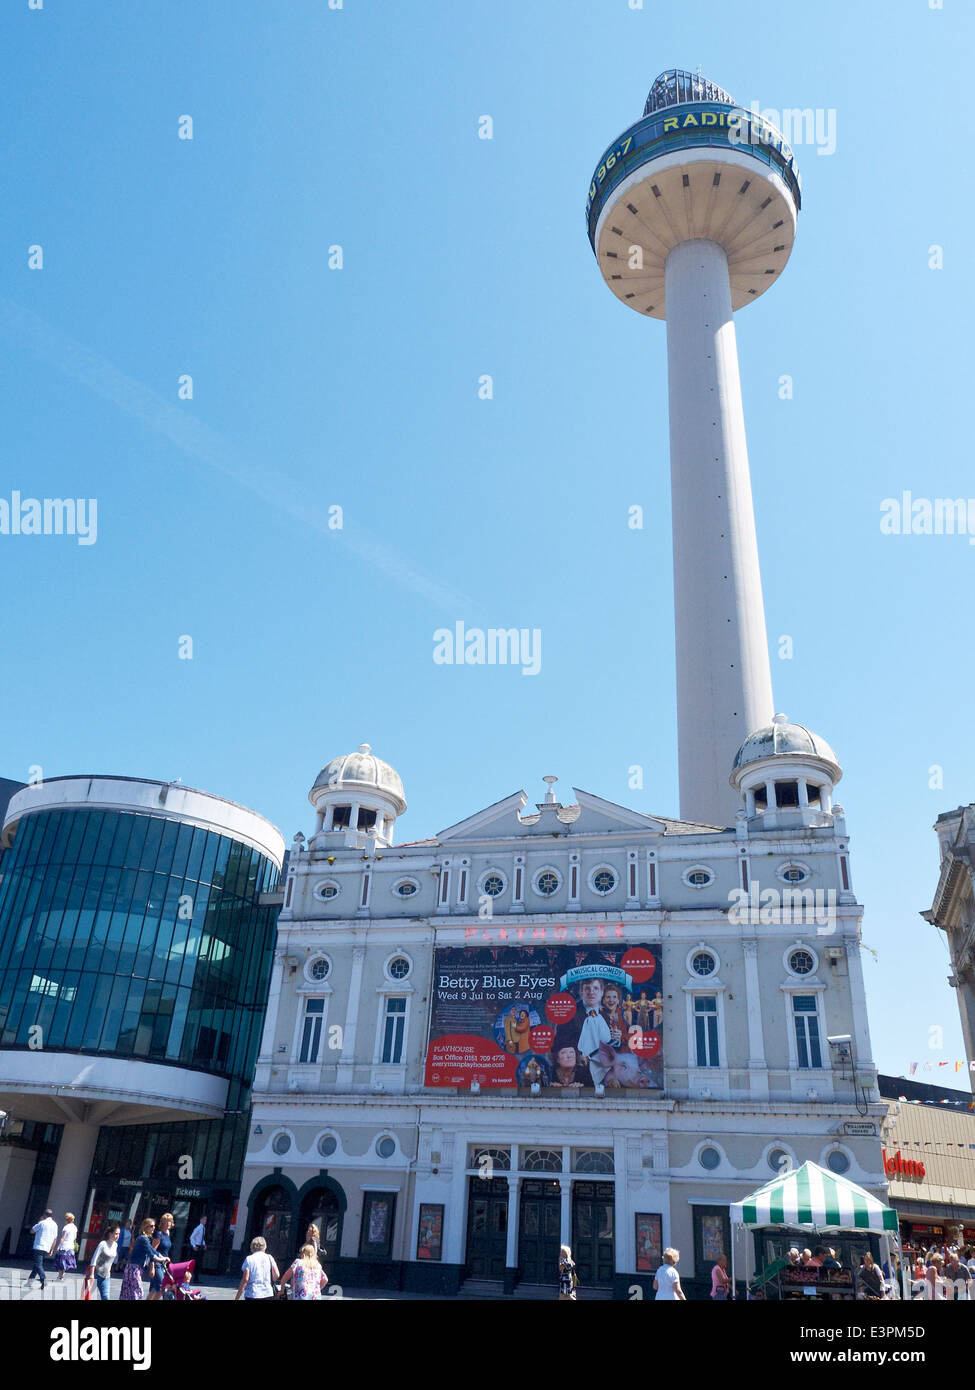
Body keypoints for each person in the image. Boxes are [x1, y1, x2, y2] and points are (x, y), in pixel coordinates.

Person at [120, 1217, 166, 1301]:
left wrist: (163, 1257)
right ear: (146, 1227)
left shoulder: (145, 1239)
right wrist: (161, 1259)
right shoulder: (143, 1239)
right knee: (136, 1291)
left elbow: (152, 1250)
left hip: (134, 1268)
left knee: (130, 1292)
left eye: (154, 1226)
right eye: (151, 1226)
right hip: (134, 1268)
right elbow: (151, 1254)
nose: (153, 1228)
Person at [236, 1235, 280, 1301]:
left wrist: (237, 1297)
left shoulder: (249, 1259)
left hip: (253, 1293)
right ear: (264, 1246)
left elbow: (245, 1279)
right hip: (267, 1293)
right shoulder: (269, 1257)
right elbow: (276, 1275)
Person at [25, 1208, 58, 1291]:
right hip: (47, 1247)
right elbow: (55, 1238)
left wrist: (39, 1221)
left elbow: (32, 1231)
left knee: (38, 1265)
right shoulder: (55, 1225)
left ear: (44, 1215)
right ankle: (29, 1282)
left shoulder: (42, 1223)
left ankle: (43, 1279)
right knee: (37, 1265)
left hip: (39, 1246)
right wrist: (51, 1250)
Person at [146, 1212, 174, 1301]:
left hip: (164, 1264)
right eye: (166, 1221)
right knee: (162, 1286)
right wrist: (152, 1267)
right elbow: (152, 1251)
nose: (168, 1223)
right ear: (162, 1223)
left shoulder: (168, 1234)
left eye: (170, 1221)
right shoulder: (159, 1234)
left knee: (154, 1289)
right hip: (157, 1263)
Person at [89, 1225, 120, 1301]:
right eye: (116, 1233)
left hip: (106, 1276)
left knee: (106, 1297)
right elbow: (94, 1259)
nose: (117, 1236)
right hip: (96, 1274)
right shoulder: (103, 1244)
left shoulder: (115, 1245)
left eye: (119, 1234)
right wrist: (91, 1275)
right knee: (87, 1296)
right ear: (110, 1234)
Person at [54, 1212, 78, 1281]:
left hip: (64, 1246)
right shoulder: (74, 1227)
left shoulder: (66, 1227)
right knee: (66, 1262)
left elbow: (63, 1238)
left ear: (67, 1219)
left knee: (59, 1261)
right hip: (70, 1247)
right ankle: (62, 1275)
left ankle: (60, 1275)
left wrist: (58, 1246)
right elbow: (75, 1237)